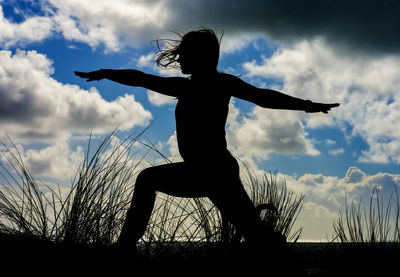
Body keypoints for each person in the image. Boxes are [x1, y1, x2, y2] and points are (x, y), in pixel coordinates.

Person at [75, 28, 339, 250]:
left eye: (184, 55)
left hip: (213, 169)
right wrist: (107, 72)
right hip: (211, 170)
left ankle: (123, 249)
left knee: (147, 179)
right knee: (256, 234)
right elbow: (141, 79)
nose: (179, 60)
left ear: (199, 56)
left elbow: (262, 97)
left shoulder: (222, 83)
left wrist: (307, 105)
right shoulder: (184, 87)